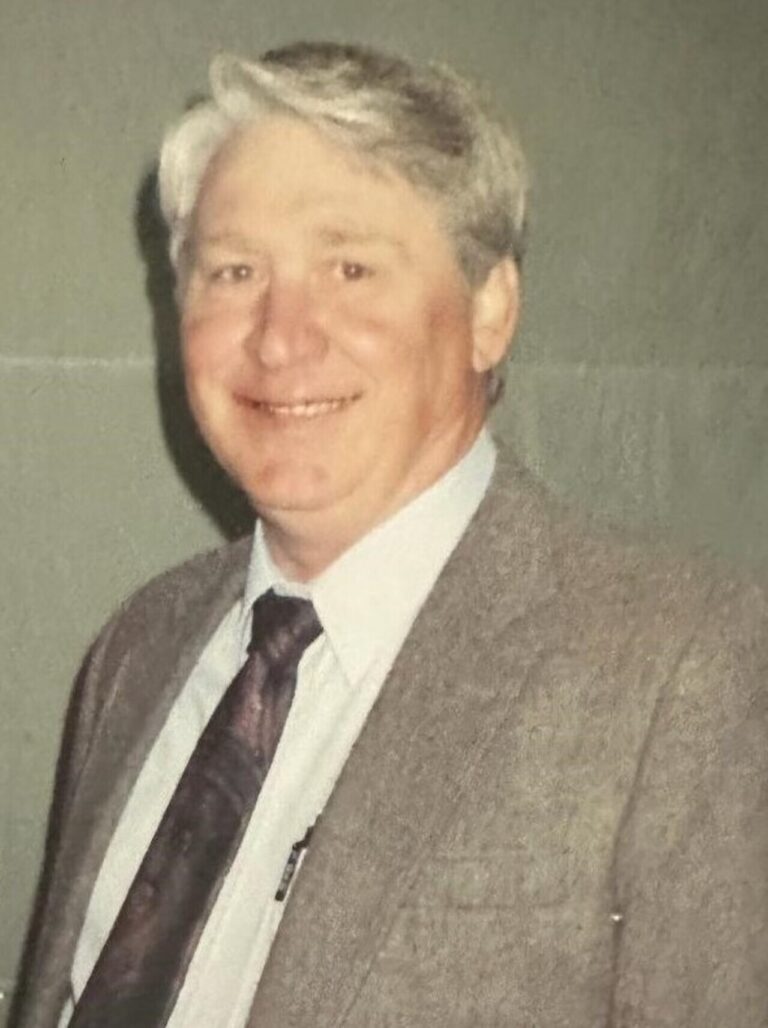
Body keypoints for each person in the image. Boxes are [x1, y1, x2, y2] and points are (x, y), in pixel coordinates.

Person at [12, 40, 768, 1028]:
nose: (281, 335)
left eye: (351, 267)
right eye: (234, 270)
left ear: (490, 310)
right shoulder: (139, 649)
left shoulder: (680, 669)